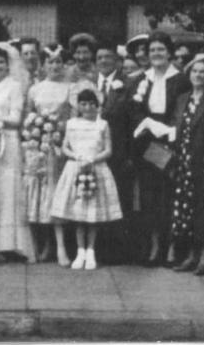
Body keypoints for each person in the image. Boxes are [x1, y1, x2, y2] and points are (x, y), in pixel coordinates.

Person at [130, 31, 191, 266]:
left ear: (169, 52)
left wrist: (166, 131)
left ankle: (171, 247)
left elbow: (183, 111)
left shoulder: (180, 79)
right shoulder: (141, 79)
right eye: (152, 50)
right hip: (148, 145)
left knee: (170, 196)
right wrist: (148, 125)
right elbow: (134, 109)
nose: (156, 54)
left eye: (160, 50)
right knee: (150, 197)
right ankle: (154, 246)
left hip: (171, 143)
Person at [168, 55, 204, 275]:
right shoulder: (182, 98)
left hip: (203, 161)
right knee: (187, 210)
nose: (198, 75)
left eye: (203, 72)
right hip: (184, 159)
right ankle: (190, 255)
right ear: (189, 74)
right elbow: (176, 127)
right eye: (195, 71)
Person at [50, 88, 122, 270]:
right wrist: (77, 157)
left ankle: (91, 251)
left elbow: (108, 150)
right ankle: (80, 251)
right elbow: (65, 147)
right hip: (75, 168)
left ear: (97, 106)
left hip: (96, 168)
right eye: (83, 104)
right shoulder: (72, 123)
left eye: (91, 104)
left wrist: (92, 159)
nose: (87, 107)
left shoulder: (102, 125)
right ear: (78, 106)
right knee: (79, 212)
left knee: (92, 214)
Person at [0, 42, 34, 262]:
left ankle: (9, 244)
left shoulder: (14, 86)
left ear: (7, 64)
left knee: (7, 190)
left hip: (8, 143)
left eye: (0, 62)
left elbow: (16, 118)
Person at [23, 44, 72, 265]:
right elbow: (28, 116)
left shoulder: (70, 88)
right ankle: (38, 245)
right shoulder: (35, 89)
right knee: (35, 195)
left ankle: (59, 246)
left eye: (58, 62)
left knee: (54, 194)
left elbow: (73, 118)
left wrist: (57, 127)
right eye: (50, 62)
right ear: (43, 64)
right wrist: (36, 128)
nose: (55, 66)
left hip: (57, 147)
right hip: (36, 147)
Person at [95, 41, 136, 265]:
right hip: (92, 152)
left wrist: (130, 154)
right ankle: (95, 248)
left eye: (108, 57)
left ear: (117, 61)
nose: (103, 61)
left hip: (119, 154)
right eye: (99, 57)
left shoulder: (128, 85)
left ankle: (119, 251)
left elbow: (132, 122)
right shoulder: (89, 83)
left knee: (119, 200)